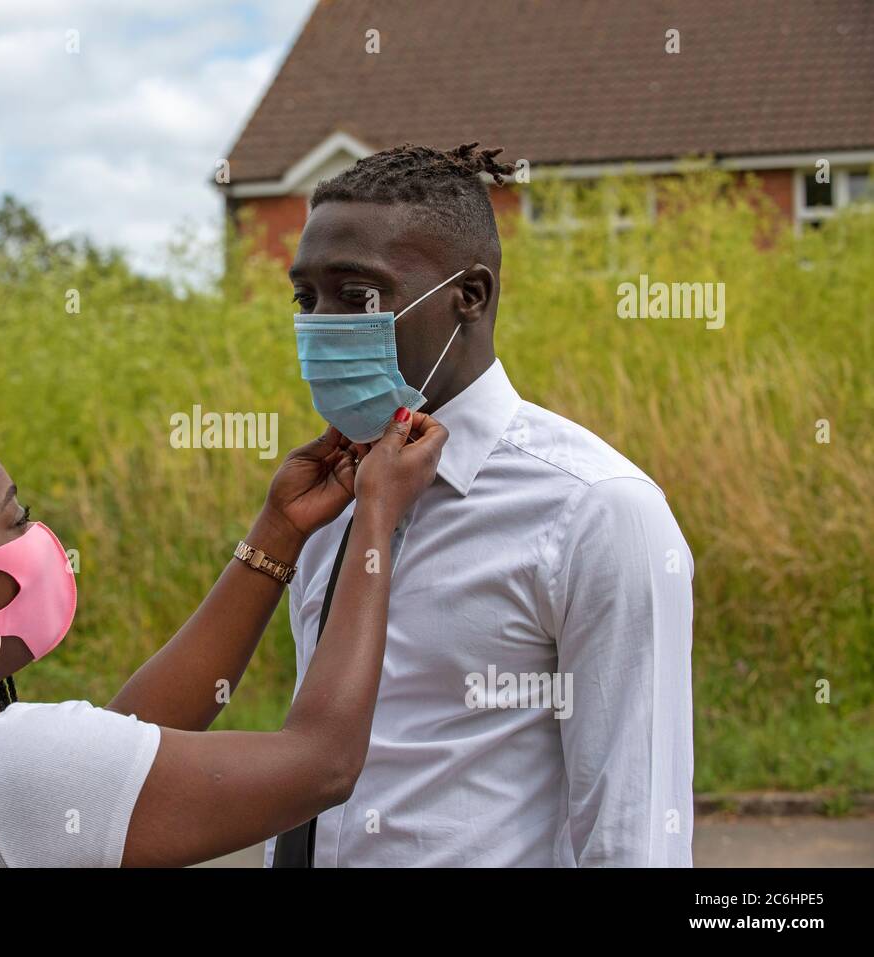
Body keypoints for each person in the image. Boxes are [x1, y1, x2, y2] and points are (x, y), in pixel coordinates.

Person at [0, 405, 446, 867]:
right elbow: (322, 762)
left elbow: (115, 759)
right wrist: (377, 518)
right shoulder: (4, 770)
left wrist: (280, 529)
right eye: (16, 518)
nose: (39, 537)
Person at [273, 142, 694, 867]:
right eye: (306, 298)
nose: (324, 325)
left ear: (470, 296)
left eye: (359, 294)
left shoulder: (595, 511)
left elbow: (634, 826)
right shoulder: (325, 503)